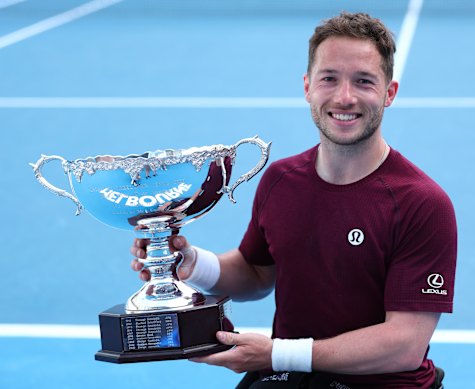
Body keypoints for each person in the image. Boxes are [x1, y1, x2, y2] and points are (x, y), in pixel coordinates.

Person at [131, 11, 456, 389]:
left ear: (390, 93)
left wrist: (276, 353)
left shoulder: (423, 203)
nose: (345, 97)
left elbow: (404, 347)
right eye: (329, 79)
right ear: (307, 87)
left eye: (363, 81)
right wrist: (190, 264)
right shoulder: (281, 181)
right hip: (289, 375)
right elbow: (255, 274)